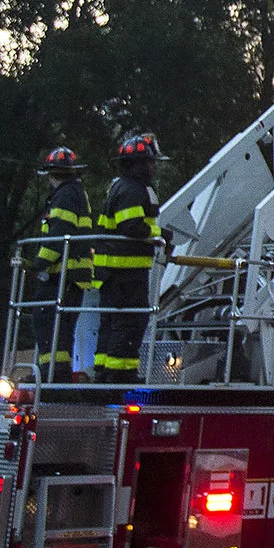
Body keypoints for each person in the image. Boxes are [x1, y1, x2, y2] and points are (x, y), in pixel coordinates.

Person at [93, 131, 166, 381]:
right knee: (130, 322)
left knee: (114, 322)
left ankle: (106, 371)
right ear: (138, 163)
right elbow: (132, 227)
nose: (154, 167)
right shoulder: (133, 190)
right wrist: (160, 234)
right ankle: (118, 374)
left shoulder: (121, 187)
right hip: (125, 271)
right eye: (151, 161)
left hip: (115, 271)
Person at [32, 147, 100, 381]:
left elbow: (59, 233)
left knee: (48, 322)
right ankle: (55, 373)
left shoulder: (65, 196)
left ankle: (51, 374)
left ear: (51, 175)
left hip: (62, 275)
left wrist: (38, 263)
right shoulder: (75, 193)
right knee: (60, 327)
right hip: (71, 275)